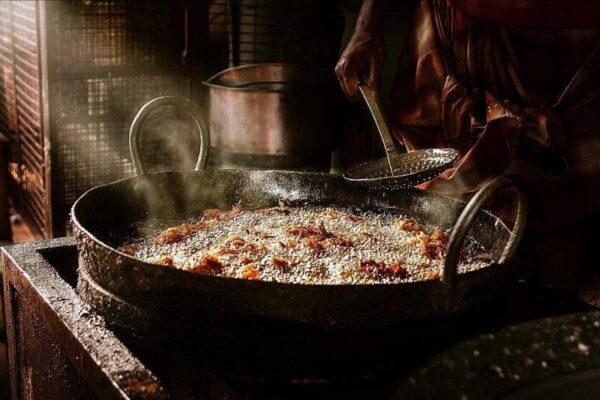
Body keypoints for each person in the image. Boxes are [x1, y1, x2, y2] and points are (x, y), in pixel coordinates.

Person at [336, 0, 600, 296]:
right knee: (455, 228)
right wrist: (367, 26)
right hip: (466, 18)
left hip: (577, 28)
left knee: (565, 204)